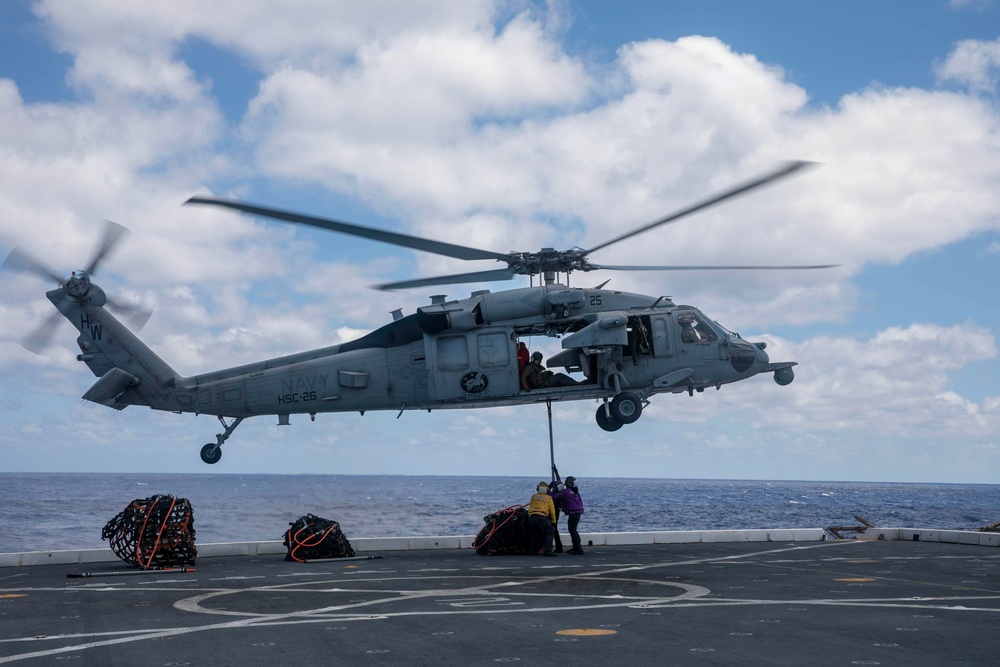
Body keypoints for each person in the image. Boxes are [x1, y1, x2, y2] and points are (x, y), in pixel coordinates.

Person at [552, 476, 585, 554]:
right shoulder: (575, 491)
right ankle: (575, 547)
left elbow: (554, 497)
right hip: (578, 512)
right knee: (573, 529)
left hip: (573, 513)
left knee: (572, 530)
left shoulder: (565, 492)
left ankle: (578, 548)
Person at [527, 481, 558, 556]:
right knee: (550, 531)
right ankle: (548, 551)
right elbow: (552, 511)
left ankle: (533, 551)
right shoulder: (549, 498)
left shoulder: (533, 496)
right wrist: (553, 521)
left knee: (536, 533)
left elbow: (530, 507)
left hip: (532, 517)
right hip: (542, 516)